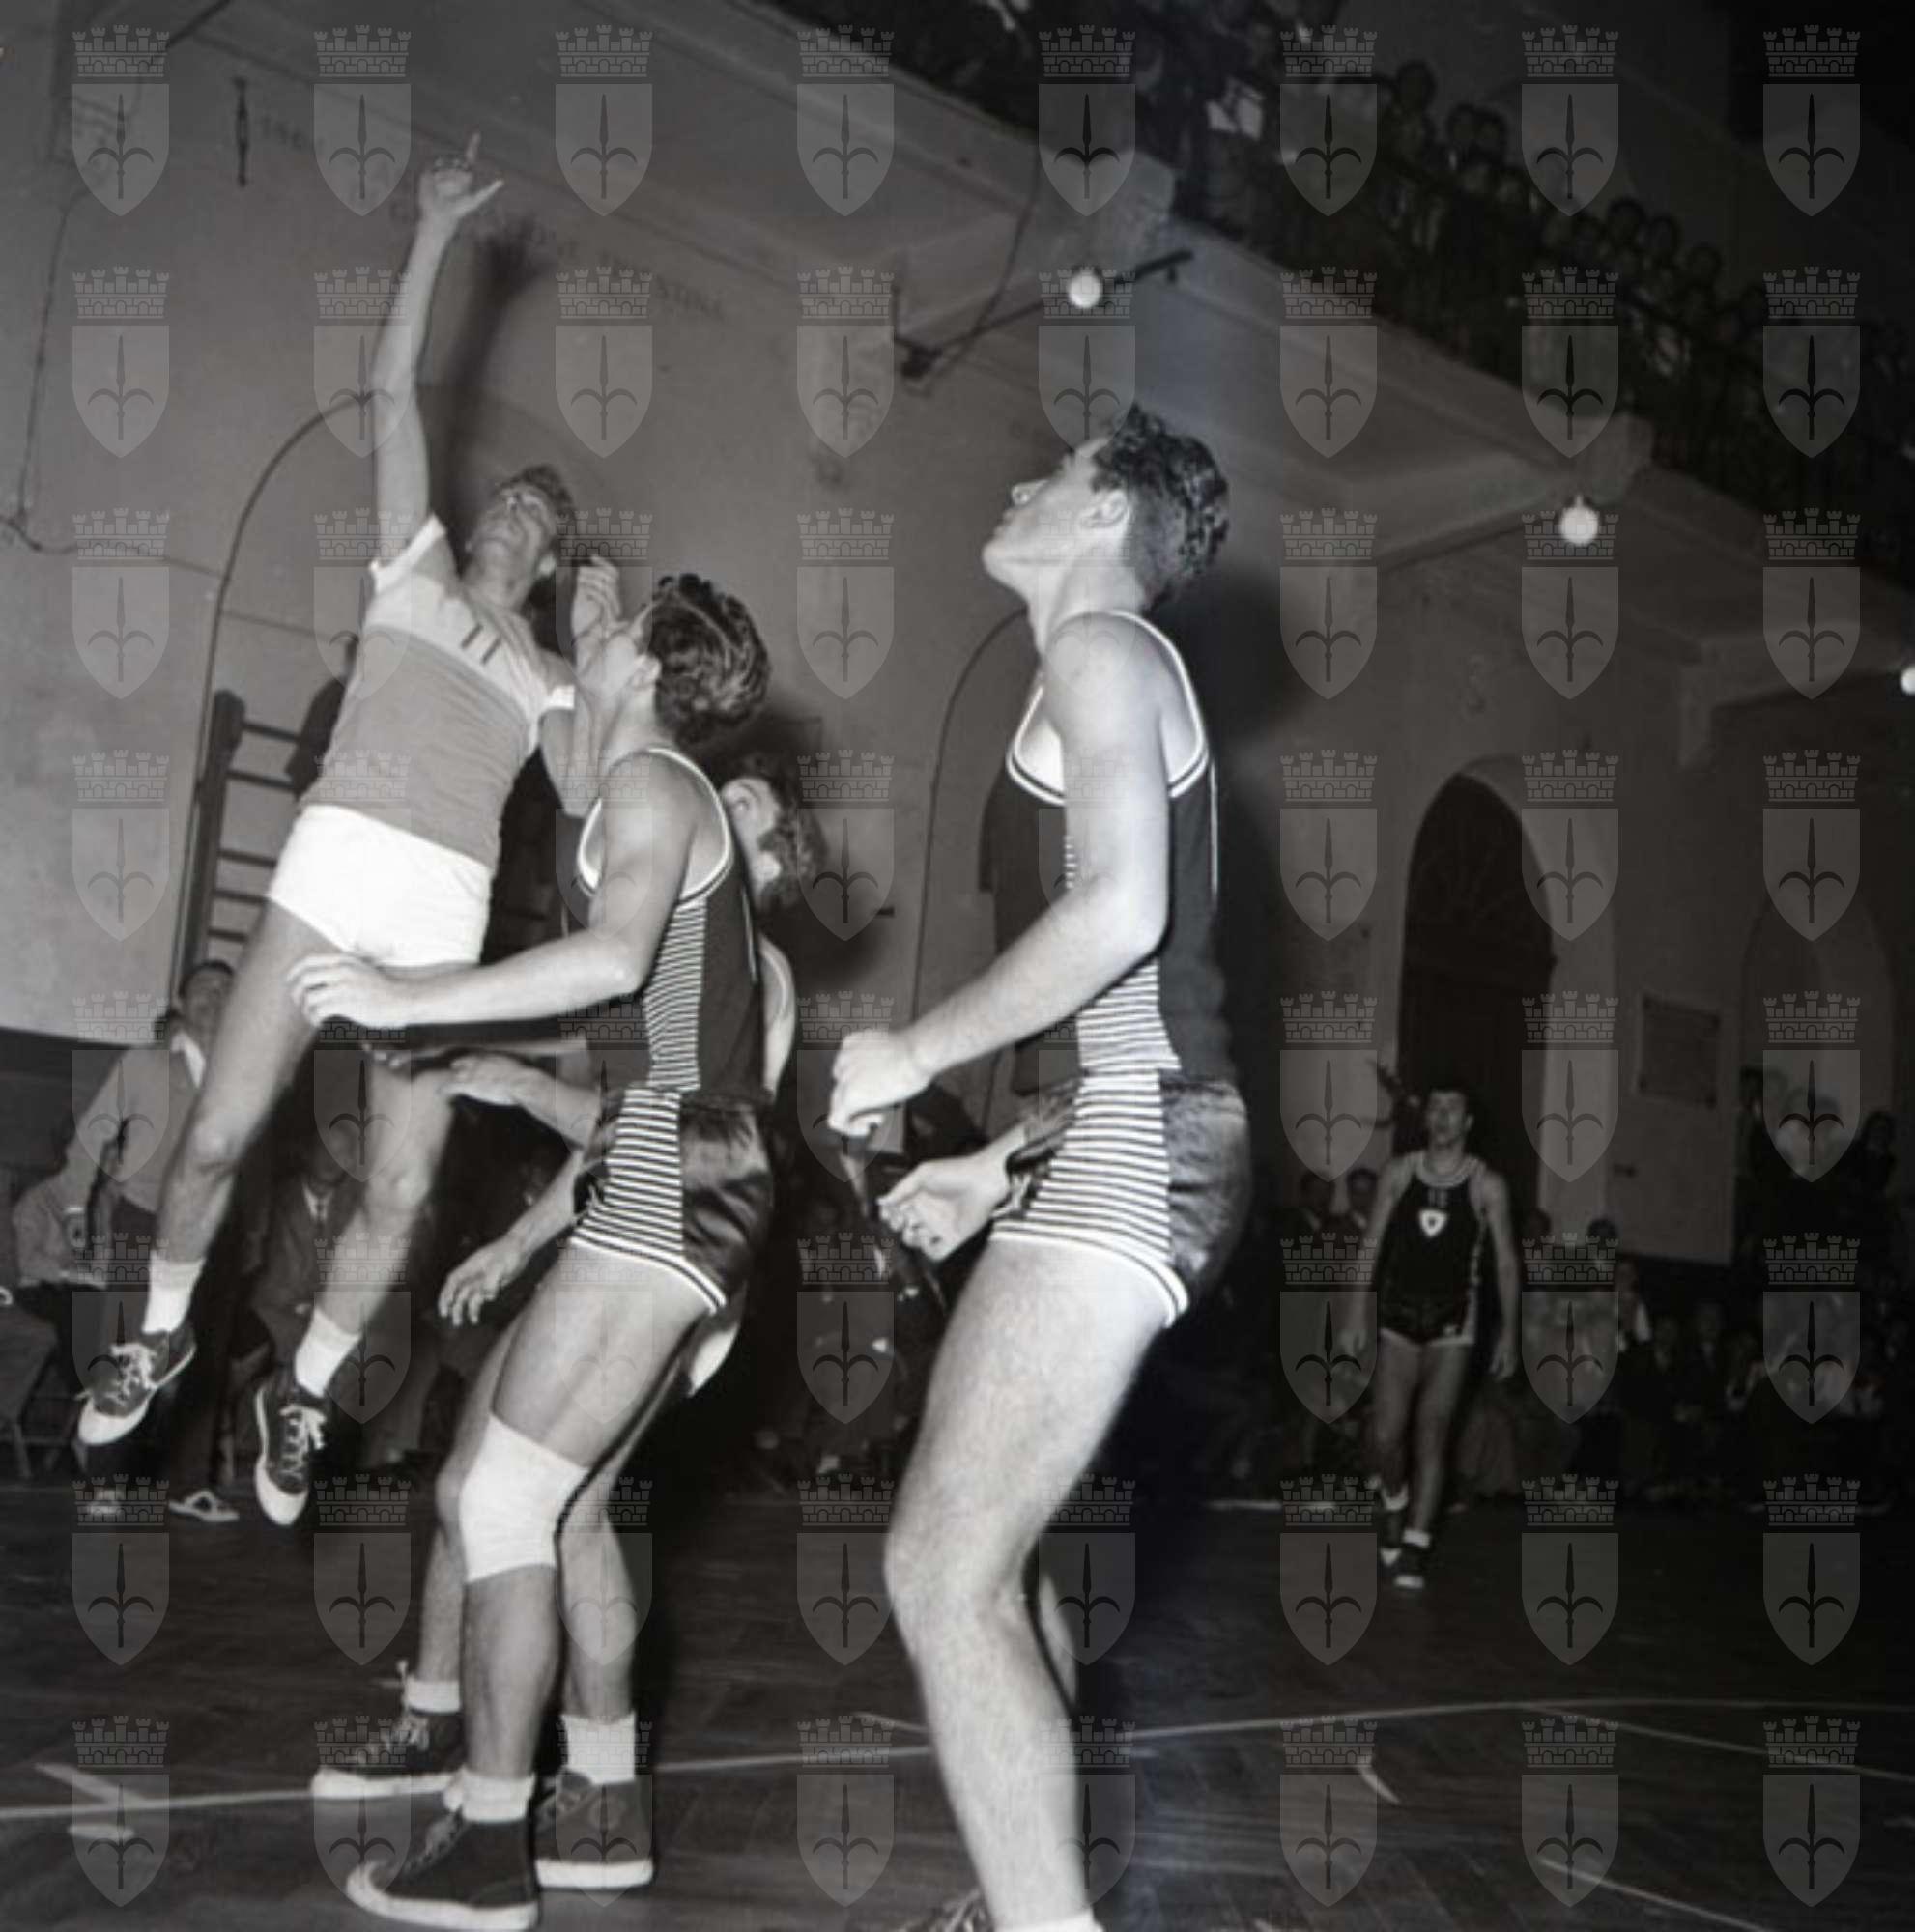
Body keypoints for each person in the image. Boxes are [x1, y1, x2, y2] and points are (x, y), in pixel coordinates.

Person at [78, 139, 590, 1537]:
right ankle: (160, 1333)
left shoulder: (549, 676)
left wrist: (609, 657)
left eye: (535, 516)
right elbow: (389, 388)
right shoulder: (410, 568)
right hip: (334, 864)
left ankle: (301, 1395)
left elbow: (594, 790)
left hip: (439, 916)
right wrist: (430, 233)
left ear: (550, 561)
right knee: (214, 1139)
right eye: (506, 498)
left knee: (404, 1186)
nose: (508, 514)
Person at [290, 556, 771, 1926]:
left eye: (612, 634)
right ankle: (601, 1812)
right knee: (550, 1504)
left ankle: (491, 1835)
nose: (589, 638)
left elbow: (611, 963)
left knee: (505, 1504)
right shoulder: (627, 784)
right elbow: (573, 782)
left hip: (679, 1170)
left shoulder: (655, 785)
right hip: (670, 1168)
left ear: (648, 669)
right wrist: (509, 1146)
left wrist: (414, 993)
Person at [827, 407, 1246, 1932]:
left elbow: (1123, 917)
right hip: (1117, 1130)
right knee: (995, 1567)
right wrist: (997, 1167)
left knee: (940, 1572)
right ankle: (1032, 1898)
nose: (1017, 480)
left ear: (1105, 515)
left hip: (1140, 1142)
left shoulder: (1102, 648)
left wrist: (914, 1052)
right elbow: (1131, 1012)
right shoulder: (1085, 667)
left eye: (1053, 473)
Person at [58, 959, 265, 1522]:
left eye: (226, 990)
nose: (214, 999)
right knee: (129, 1350)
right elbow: (92, 1133)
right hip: (142, 1220)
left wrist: (250, 1232)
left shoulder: (248, 1075)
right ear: (180, 1001)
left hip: (215, 1231)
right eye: (202, 990)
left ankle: (187, 1485)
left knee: (205, 1360)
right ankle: (103, 1481)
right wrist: (76, 1203)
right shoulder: (145, 1064)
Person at [1344, 1081, 1520, 1590]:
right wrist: (1355, 1313)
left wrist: (1509, 1332)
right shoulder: (1399, 1173)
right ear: (1426, 1119)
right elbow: (1371, 1244)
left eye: (1452, 1108)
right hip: (1398, 1314)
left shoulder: (1488, 1184)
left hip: (1454, 1320)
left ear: (1468, 1122)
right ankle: (1393, 1500)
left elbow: (1506, 1263)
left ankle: (1416, 1544)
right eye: (1435, 1107)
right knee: (1384, 1435)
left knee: (1434, 1430)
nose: (1442, 1116)